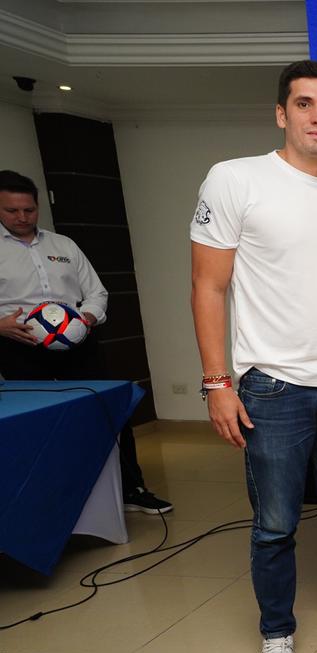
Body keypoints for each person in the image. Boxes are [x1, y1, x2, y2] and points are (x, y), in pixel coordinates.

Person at [190, 60, 317, 653]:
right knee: (274, 523)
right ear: (281, 113)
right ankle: (276, 633)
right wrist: (217, 382)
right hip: (271, 386)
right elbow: (209, 286)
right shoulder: (236, 179)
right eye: (305, 105)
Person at [0, 169, 171, 515]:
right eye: (12, 211)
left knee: (109, 410)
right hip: (19, 348)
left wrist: (86, 318)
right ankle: (48, 501)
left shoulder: (63, 245)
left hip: (78, 345)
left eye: (29, 210)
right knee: (38, 423)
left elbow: (96, 292)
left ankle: (130, 489)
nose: (22, 217)